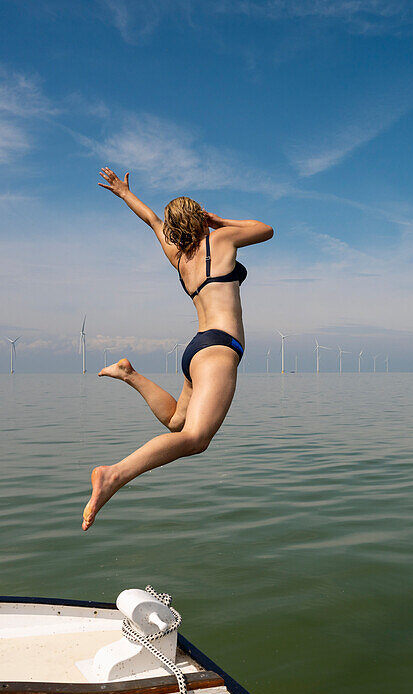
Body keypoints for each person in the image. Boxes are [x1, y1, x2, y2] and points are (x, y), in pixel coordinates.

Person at [83, 167, 274, 530]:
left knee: (176, 421)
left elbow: (152, 219)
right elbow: (266, 229)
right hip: (219, 348)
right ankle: (114, 475)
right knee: (195, 438)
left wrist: (125, 194)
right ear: (199, 216)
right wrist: (219, 221)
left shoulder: (178, 258)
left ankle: (129, 373)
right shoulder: (219, 241)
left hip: (197, 349)